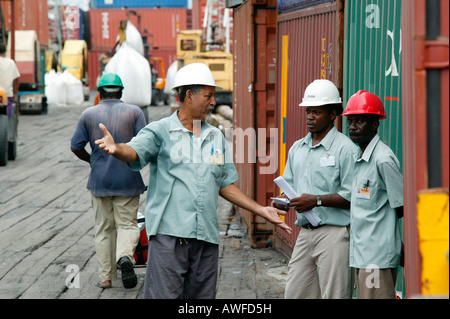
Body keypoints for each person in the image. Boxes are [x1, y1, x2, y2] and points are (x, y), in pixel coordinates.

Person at [95, 63, 292, 299]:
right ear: (189, 95)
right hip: (170, 237)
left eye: (213, 96)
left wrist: (260, 210)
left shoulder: (215, 136)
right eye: (208, 96)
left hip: (206, 238)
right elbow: (134, 152)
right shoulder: (160, 131)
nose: (213, 102)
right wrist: (116, 149)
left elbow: (224, 184)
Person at [274, 79, 357, 299]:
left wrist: (317, 200)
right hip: (305, 235)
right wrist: (282, 202)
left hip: (335, 234)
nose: (310, 117)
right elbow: (290, 187)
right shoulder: (297, 148)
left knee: (335, 295)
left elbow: (353, 196)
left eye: (316, 112)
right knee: (294, 293)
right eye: (308, 111)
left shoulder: (345, 149)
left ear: (332, 114)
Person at [70, 73, 146, 289]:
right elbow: (143, 144)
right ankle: (124, 257)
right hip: (128, 179)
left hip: (99, 181)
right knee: (128, 224)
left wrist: (92, 161)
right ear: (121, 91)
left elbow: (75, 146)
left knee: (103, 229)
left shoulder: (88, 114)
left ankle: (105, 278)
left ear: (99, 92)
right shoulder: (135, 112)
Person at [343, 90, 403, 299]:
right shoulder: (359, 157)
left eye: (359, 121)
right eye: (350, 121)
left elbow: (402, 205)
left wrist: (395, 244)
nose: (352, 126)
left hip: (376, 258)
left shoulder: (383, 159)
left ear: (375, 124)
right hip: (361, 254)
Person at [0, 43, 20, 117]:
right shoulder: (11, 62)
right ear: (5, 51)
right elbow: (16, 79)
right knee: (8, 116)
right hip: (8, 94)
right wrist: (14, 91)